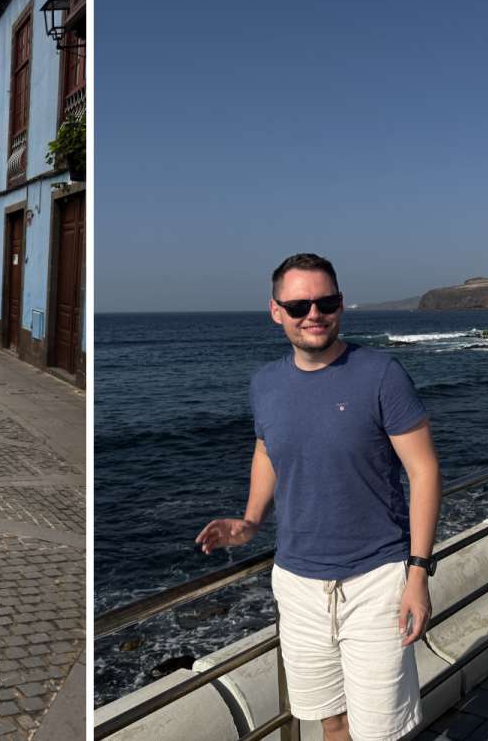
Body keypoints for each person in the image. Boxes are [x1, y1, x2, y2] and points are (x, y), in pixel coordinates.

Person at [196, 253, 441, 741]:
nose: (314, 313)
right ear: (275, 311)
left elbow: (424, 470)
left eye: (325, 301)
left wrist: (418, 572)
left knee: (379, 731)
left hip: (376, 581)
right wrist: (250, 521)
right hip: (298, 583)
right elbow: (266, 450)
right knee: (330, 720)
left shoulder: (381, 374)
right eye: (299, 304)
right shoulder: (265, 384)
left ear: (340, 305)